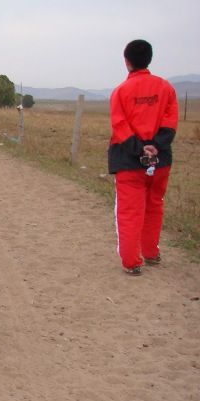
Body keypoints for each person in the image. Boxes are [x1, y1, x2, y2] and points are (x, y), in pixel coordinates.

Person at [108, 39, 178, 276]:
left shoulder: (121, 92)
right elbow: (171, 121)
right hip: (161, 161)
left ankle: (132, 261)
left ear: (127, 62)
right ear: (149, 59)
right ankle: (151, 252)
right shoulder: (166, 88)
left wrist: (140, 149)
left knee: (129, 211)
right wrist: (156, 146)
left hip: (129, 161)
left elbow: (119, 125)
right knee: (154, 205)